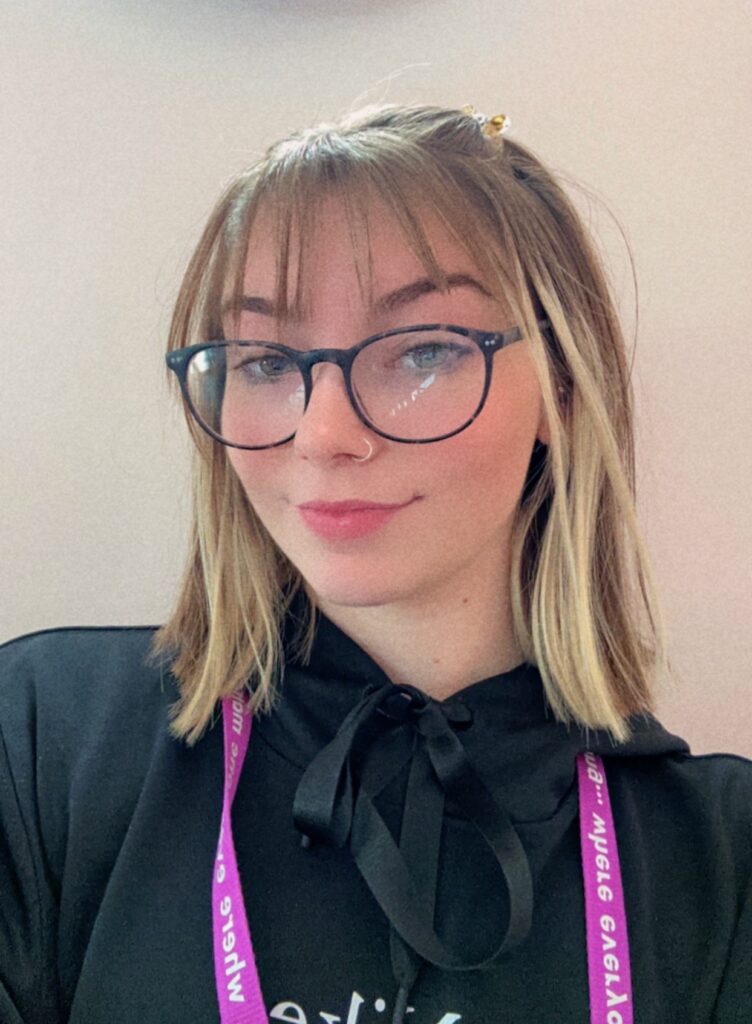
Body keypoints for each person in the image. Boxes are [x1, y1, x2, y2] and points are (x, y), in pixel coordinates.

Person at [0, 102, 749, 1024]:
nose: (324, 434)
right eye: (266, 359)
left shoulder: (722, 858)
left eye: (424, 350)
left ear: (562, 384)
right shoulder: (42, 744)